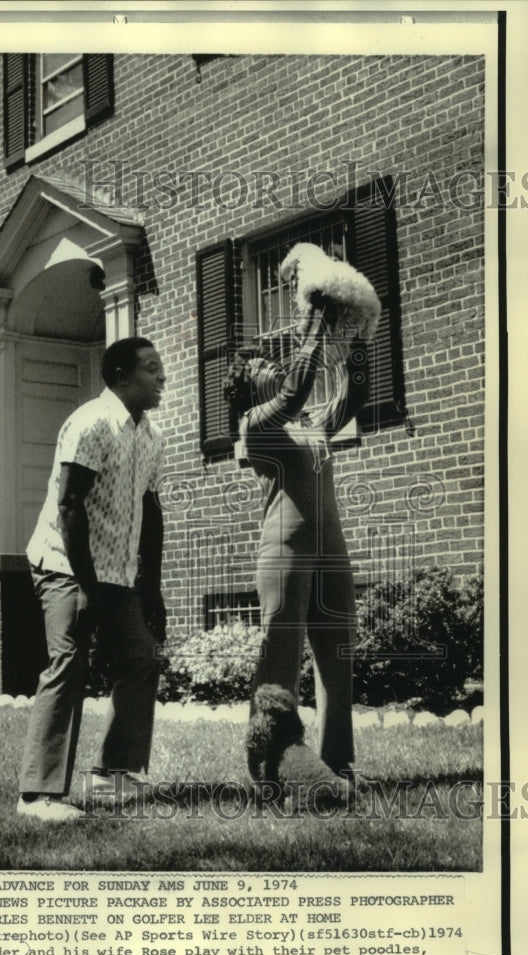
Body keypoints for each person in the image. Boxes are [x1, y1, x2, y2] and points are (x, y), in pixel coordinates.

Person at [224, 277, 372, 793]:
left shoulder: (311, 425)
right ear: (248, 385)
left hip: (331, 554)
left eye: (273, 361)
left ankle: (338, 764)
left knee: (338, 657)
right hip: (283, 553)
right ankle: (267, 768)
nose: (274, 366)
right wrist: (315, 318)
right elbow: (296, 389)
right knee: (279, 663)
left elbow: (358, 395)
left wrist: (355, 335)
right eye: (262, 366)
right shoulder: (256, 422)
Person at [18, 337, 167, 822]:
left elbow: (151, 511)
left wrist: (151, 587)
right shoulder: (91, 423)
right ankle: (38, 796)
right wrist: (86, 587)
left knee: (141, 657)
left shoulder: (150, 436)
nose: (161, 377)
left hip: (116, 572)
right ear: (122, 376)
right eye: (151, 369)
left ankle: (113, 775)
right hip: (65, 562)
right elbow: (69, 507)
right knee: (69, 661)